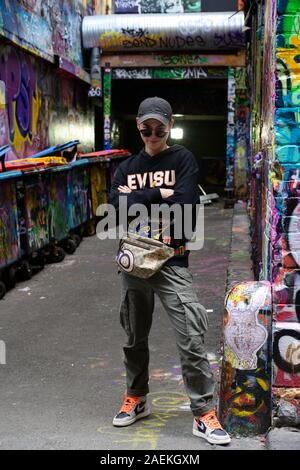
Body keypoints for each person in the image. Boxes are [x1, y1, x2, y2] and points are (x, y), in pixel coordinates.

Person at [108, 97, 231, 445]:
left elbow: (186, 209)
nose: (152, 134)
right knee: (134, 337)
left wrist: (138, 199)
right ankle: (137, 398)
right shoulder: (126, 167)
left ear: (168, 125)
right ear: (138, 126)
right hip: (134, 263)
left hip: (172, 261)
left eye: (158, 128)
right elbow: (114, 210)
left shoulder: (183, 159)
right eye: (146, 128)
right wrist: (158, 192)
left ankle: (203, 413)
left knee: (191, 337)